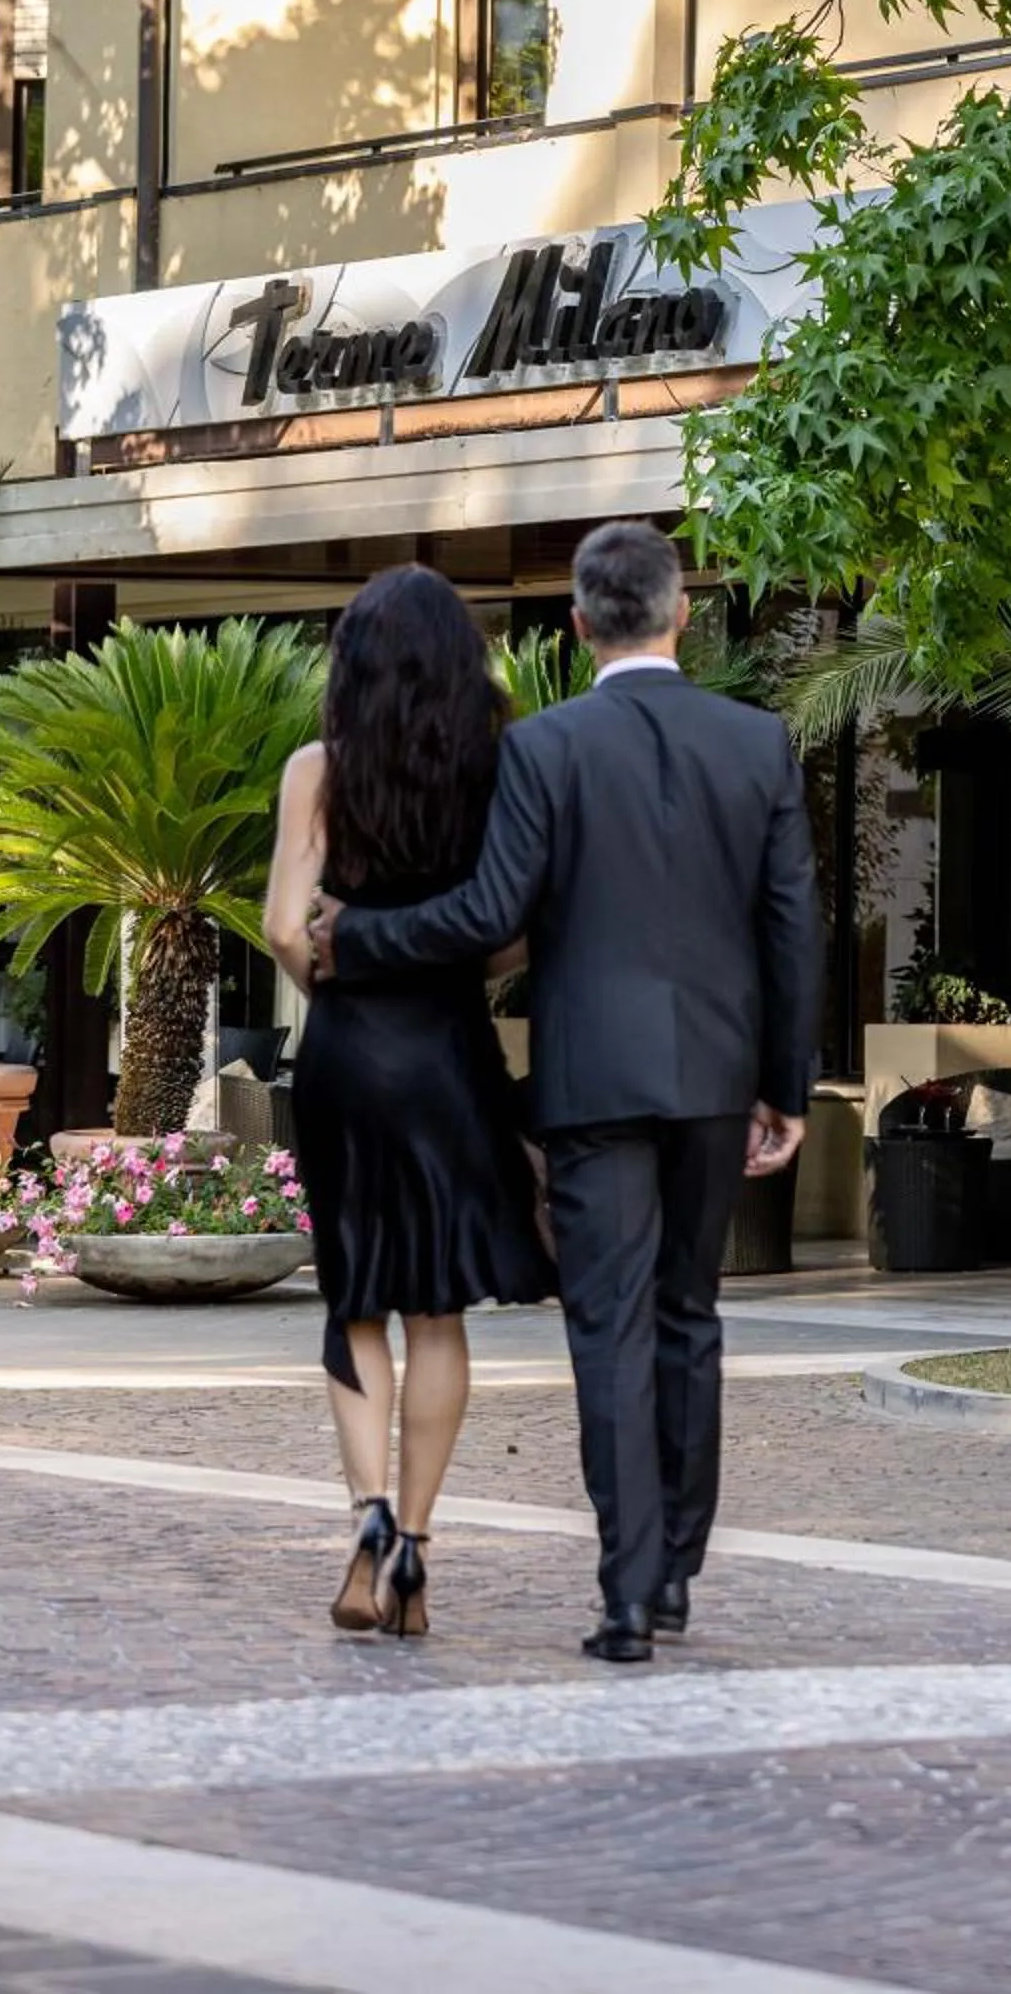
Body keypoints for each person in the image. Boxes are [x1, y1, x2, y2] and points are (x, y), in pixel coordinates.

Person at [307, 519, 822, 1665]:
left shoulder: (543, 747)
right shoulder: (757, 742)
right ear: (681, 612)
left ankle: (626, 1597)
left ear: (579, 622)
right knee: (689, 1316)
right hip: (713, 1078)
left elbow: (489, 915)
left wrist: (360, 937)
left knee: (609, 1329)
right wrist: (785, 1086)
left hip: (590, 1083)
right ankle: (673, 1570)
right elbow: (792, 927)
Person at [264, 565, 553, 1639]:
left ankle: (369, 1521)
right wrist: (450, 974)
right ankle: (419, 1544)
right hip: (450, 1053)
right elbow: (520, 929)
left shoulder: (317, 771)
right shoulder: (498, 770)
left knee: (355, 1299)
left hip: (347, 1056)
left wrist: (337, 991)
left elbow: (284, 927)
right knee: (436, 1309)